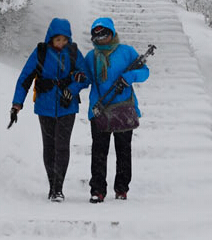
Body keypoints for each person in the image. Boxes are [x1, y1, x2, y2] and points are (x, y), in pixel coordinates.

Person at [11, 18, 87, 202]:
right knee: (49, 146)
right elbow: (25, 78)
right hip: (44, 107)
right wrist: (17, 104)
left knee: (62, 146)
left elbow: (85, 77)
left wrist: (71, 90)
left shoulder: (74, 52)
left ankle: (58, 189)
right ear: (50, 38)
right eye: (58, 40)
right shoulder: (41, 52)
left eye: (64, 40)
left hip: (67, 107)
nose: (61, 43)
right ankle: (52, 185)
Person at [83, 17, 150, 203]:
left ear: (111, 33)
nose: (101, 39)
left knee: (123, 151)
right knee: (99, 151)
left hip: (123, 108)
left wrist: (129, 77)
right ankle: (97, 189)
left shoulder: (127, 52)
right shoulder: (91, 57)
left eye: (104, 34)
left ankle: (122, 188)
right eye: (97, 36)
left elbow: (145, 72)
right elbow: (83, 78)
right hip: (99, 110)